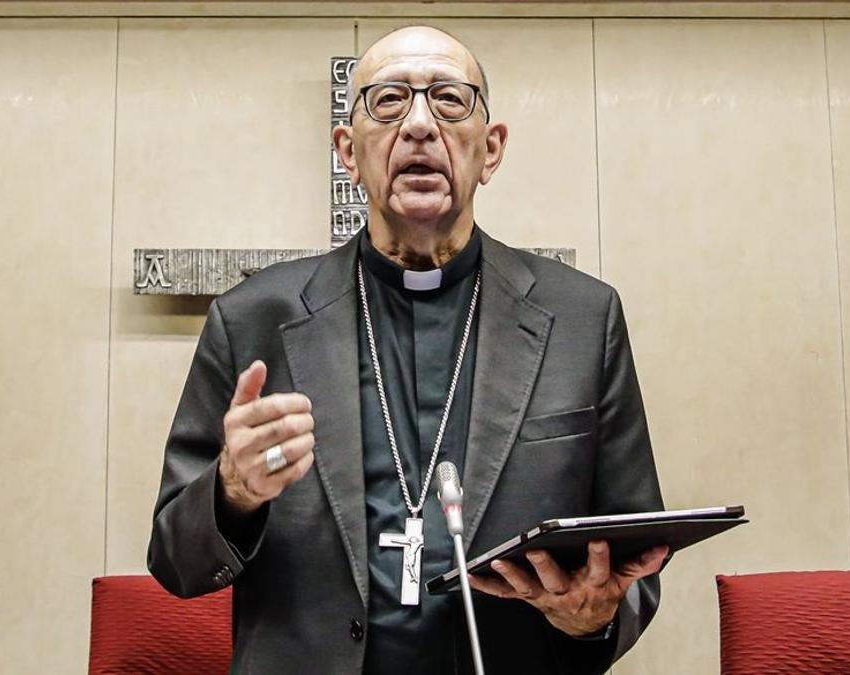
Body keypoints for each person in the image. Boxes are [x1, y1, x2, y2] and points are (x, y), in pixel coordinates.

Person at [148, 25, 667, 675]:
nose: (420, 125)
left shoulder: (583, 318)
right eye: (388, 101)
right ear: (347, 150)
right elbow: (175, 558)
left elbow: (636, 558)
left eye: (450, 100)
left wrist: (592, 617)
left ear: (492, 148)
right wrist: (233, 491)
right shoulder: (252, 319)